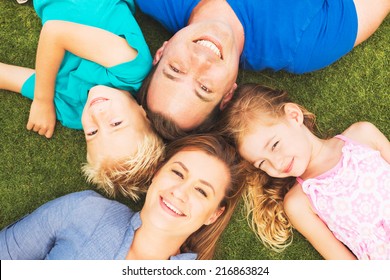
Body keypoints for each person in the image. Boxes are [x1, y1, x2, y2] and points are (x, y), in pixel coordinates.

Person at [133, 0, 390, 140]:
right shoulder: (303, 45)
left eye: (176, 70)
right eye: (204, 87)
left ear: (161, 52)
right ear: (228, 94)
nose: (200, 61)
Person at [1, 0, 163, 200]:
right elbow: (54, 32)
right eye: (116, 123)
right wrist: (42, 100)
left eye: (92, 132)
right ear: (144, 114)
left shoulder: (72, 112)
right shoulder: (132, 70)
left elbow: (6, 76)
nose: (97, 115)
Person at [0, 134, 245, 260]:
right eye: (178, 173)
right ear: (157, 173)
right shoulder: (85, 211)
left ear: (214, 214)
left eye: (201, 191)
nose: (180, 192)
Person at [218, 83, 390, 260]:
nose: (277, 164)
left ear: (294, 116)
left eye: (275, 145)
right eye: (262, 163)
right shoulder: (298, 203)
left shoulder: (362, 134)